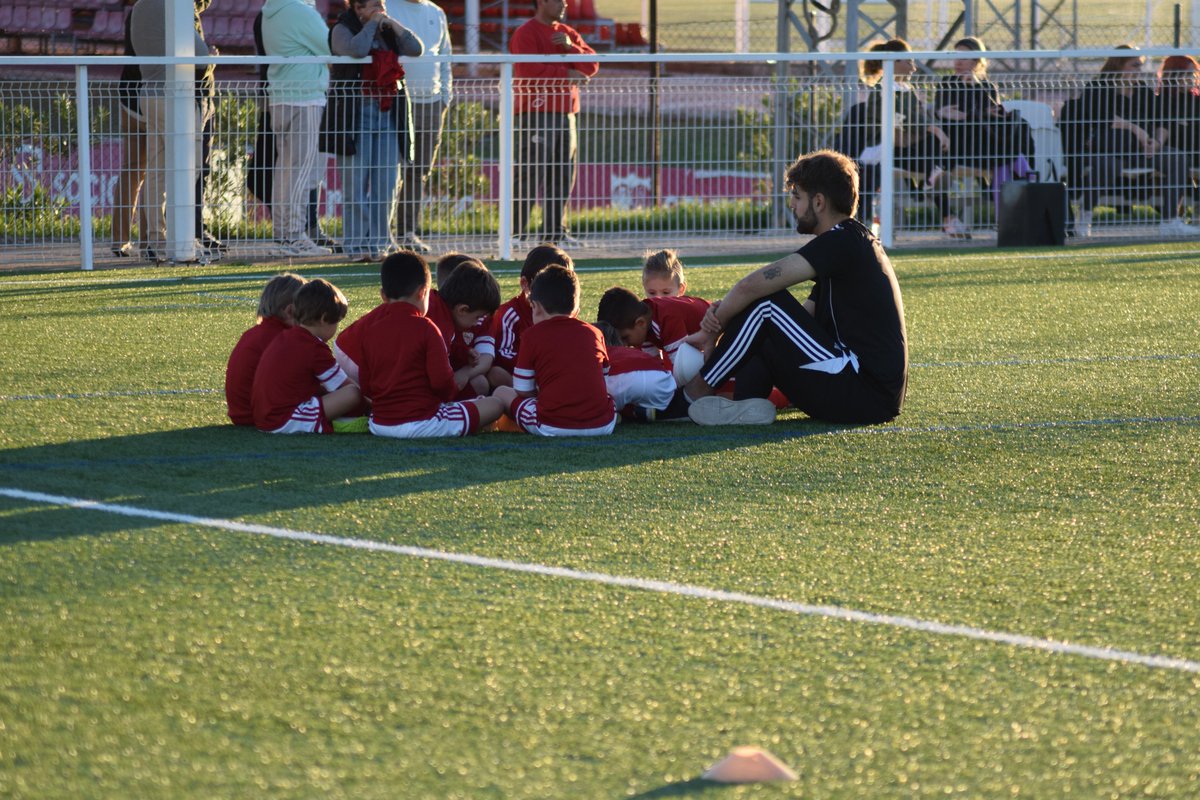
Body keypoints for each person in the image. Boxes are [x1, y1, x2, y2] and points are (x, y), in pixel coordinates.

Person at [679, 150, 908, 427]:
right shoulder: (849, 245)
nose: (792, 204)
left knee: (765, 304)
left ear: (819, 202)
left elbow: (753, 285)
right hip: (862, 392)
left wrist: (711, 330)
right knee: (760, 314)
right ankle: (743, 405)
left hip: (862, 391)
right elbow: (800, 321)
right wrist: (735, 317)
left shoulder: (842, 242)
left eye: (797, 197)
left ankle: (694, 392)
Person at [352, 251, 505, 437]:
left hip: (379, 424)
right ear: (423, 293)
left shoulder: (372, 330)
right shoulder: (428, 328)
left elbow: (367, 386)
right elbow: (443, 384)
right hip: (424, 422)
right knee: (495, 404)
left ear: (383, 295)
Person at [330, 0, 424, 263]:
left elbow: (416, 48)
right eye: (373, 4)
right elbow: (356, 51)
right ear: (357, 8)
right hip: (355, 114)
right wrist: (371, 25)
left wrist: (391, 24)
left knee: (386, 184)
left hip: (387, 113)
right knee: (355, 185)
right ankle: (356, 246)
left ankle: (380, 243)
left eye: (382, 4)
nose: (380, 9)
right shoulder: (342, 28)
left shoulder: (387, 29)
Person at [1070, 46, 1198, 237]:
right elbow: (1104, 118)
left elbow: (1162, 121)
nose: (1139, 70)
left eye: (1141, 65)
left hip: (1141, 151)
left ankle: (1170, 220)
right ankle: (1086, 216)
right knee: (1108, 166)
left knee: (1177, 158)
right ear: (1119, 66)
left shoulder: (1143, 91)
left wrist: (1157, 142)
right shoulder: (1098, 87)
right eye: (1134, 65)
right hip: (1109, 149)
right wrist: (1136, 129)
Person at [129, 0, 214, 262]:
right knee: (187, 170)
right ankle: (182, 242)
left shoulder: (141, 6)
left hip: (149, 92)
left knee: (155, 171)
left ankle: (156, 240)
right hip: (176, 96)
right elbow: (200, 56)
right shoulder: (175, 5)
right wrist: (213, 59)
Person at [509, 0, 598, 246]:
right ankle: (515, 234)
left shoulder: (567, 33)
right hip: (536, 113)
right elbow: (528, 71)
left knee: (562, 174)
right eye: (558, 0)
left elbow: (591, 64)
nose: (564, 4)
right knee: (530, 173)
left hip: (566, 113)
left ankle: (554, 233)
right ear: (541, 2)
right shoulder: (526, 33)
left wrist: (571, 49)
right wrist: (567, 74)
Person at [493, 266, 616, 436]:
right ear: (575, 308)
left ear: (535, 307)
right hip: (604, 424)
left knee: (501, 392)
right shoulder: (594, 332)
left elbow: (522, 389)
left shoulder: (531, 335)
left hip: (553, 424)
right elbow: (604, 380)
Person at [848, 38, 951, 234]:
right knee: (932, 138)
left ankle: (932, 184)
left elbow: (917, 119)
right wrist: (933, 129)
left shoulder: (906, 89)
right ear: (895, 62)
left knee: (934, 143)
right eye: (909, 62)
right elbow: (908, 120)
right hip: (882, 149)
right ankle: (928, 183)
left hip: (905, 147)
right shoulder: (884, 89)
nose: (913, 68)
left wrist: (928, 129)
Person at [261, 0, 334, 257]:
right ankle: (294, 236)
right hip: (305, 98)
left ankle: (284, 235)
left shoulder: (270, 11)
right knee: (300, 172)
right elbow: (332, 47)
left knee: (286, 172)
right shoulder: (301, 12)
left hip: (281, 96)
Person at [251, 278, 364, 434]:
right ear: (324, 318)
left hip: (265, 418)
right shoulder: (313, 347)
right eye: (337, 322)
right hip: (284, 420)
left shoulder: (285, 337)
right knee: (353, 393)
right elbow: (345, 386)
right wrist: (376, 405)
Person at [390, 0, 453, 254]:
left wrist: (444, 98)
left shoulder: (436, 12)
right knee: (390, 170)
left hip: (431, 103)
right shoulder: (389, 8)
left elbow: (445, 59)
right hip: (397, 99)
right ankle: (385, 233)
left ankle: (406, 232)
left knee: (419, 171)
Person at [932, 37, 1008, 238]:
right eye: (956, 57)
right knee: (936, 165)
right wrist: (974, 115)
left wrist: (973, 95)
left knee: (995, 158)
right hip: (951, 145)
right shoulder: (947, 83)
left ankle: (1004, 219)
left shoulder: (986, 86)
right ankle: (948, 218)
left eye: (964, 58)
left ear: (976, 62)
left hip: (980, 146)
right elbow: (942, 113)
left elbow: (995, 114)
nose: (958, 63)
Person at [225, 273, 308, 425]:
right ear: (290, 311)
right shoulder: (282, 339)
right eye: (308, 309)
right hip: (261, 414)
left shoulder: (254, 333)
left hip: (242, 413)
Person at [487, 243, 574, 387]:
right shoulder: (510, 314)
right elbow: (502, 354)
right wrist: (536, 363)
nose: (556, 296)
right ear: (525, 284)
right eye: (549, 289)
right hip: (522, 377)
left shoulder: (567, 313)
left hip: (552, 375)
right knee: (496, 374)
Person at [425, 258, 501, 396]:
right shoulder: (439, 323)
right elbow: (439, 380)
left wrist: (463, 352)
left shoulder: (440, 309)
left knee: (482, 382)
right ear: (462, 309)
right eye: (477, 317)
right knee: (493, 404)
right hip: (416, 398)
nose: (478, 322)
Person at [594, 320, 689, 421]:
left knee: (596, 400)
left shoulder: (600, 352)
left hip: (621, 377)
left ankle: (613, 414)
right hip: (663, 380)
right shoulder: (633, 351)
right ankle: (653, 412)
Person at [111, 6, 149, 259]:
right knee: (156, 171)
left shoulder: (136, 10)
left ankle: (119, 239)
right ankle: (150, 239)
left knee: (132, 170)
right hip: (155, 95)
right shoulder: (169, 11)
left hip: (129, 95)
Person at [595, 286, 710, 369]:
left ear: (640, 323)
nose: (624, 345)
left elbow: (681, 368)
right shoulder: (644, 320)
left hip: (719, 330)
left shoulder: (667, 319)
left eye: (625, 338)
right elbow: (653, 365)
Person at [1157, 55, 1200, 167]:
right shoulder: (1163, 101)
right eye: (1188, 74)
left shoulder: (1195, 99)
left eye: (1193, 73)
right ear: (1175, 75)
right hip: (1183, 150)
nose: (1192, 78)